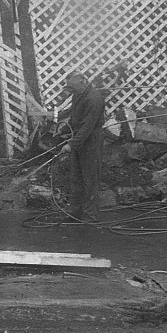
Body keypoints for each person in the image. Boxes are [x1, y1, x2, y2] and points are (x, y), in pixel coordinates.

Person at [60, 71, 106, 222]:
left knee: (90, 179)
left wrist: (71, 145)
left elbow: (87, 126)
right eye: (69, 87)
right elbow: (76, 117)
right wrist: (65, 128)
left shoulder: (94, 98)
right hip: (80, 139)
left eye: (73, 86)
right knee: (76, 178)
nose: (71, 90)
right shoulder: (78, 95)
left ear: (82, 81)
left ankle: (90, 216)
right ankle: (74, 213)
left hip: (91, 140)